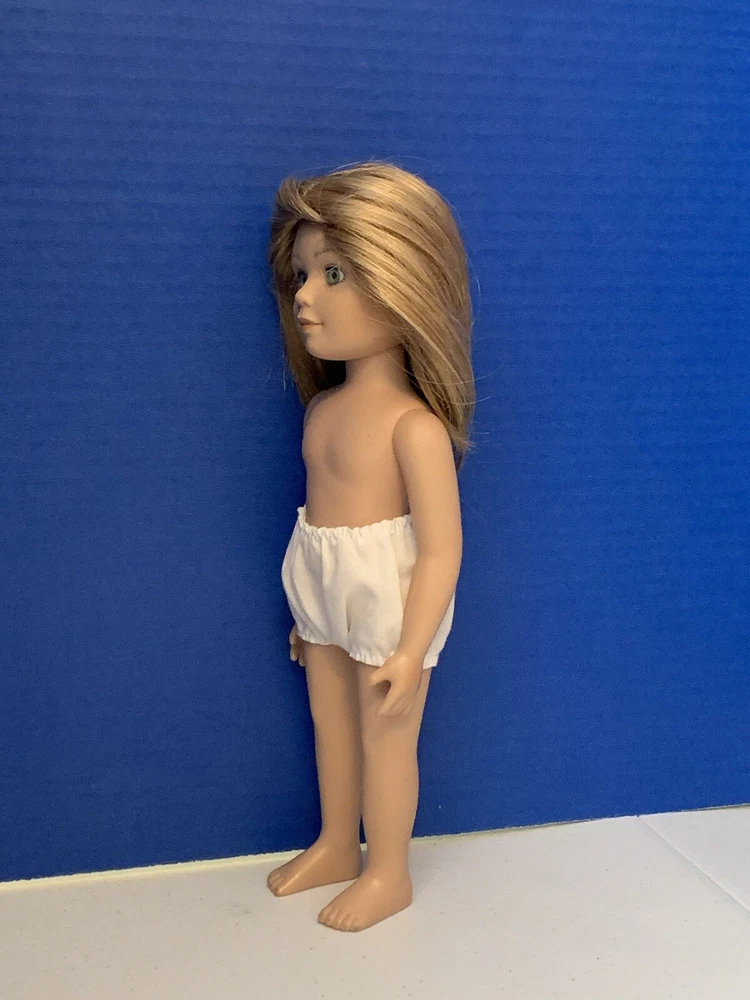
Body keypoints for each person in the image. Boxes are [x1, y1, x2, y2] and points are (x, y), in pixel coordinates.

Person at [266, 161, 476, 931]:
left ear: (403, 284)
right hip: (321, 590)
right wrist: (310, 611)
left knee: (386, 740)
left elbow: (443, 550)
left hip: (389, 600)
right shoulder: (321, 409)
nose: (305, 296)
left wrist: (411, 648)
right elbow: (322, 524)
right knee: (332, 726)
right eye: (301, 274)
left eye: (334, 273)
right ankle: (335, 843)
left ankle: (389, 869)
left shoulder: (414, 428)